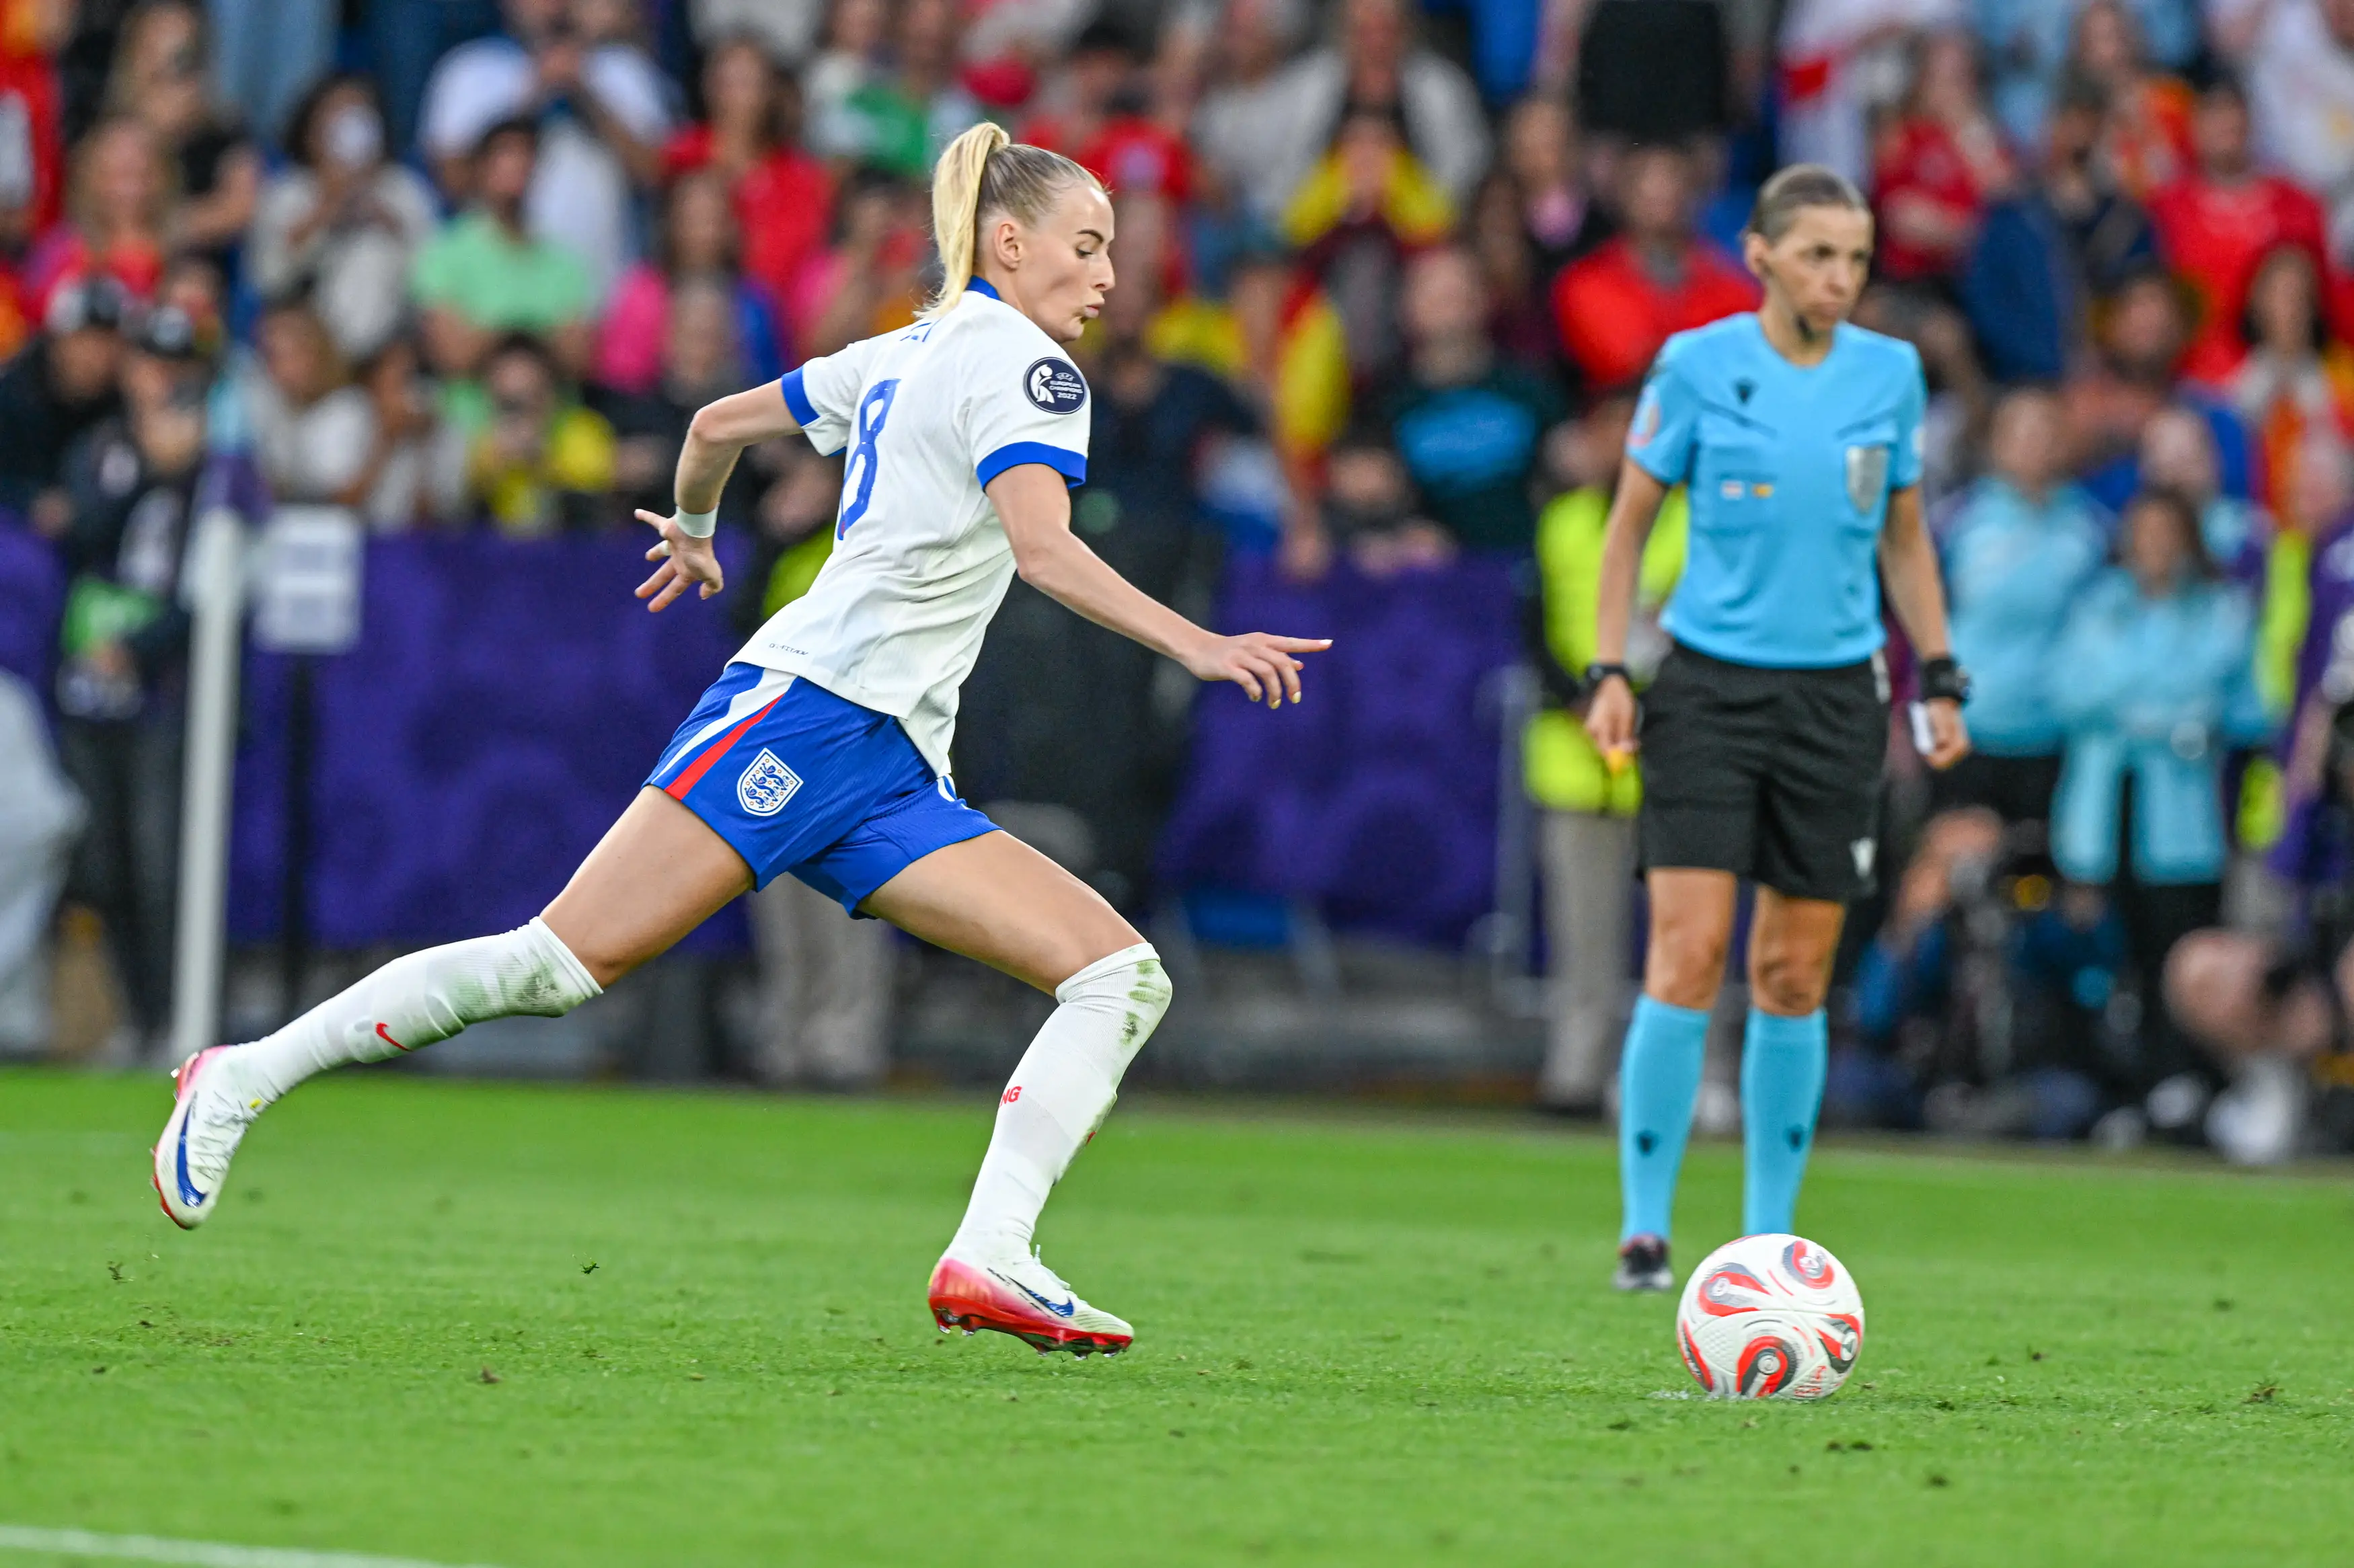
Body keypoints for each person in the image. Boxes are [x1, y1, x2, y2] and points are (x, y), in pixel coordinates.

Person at [152, 123, 1329, 1359]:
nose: (1107, 276)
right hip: (812, 715)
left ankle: (991, 1249)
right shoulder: (1035, 373)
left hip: (886, 764)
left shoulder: (898, 351)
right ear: (1006, 241)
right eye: (1086, 246)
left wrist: (698, 529)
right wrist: (1198, 643)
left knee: (1119, 974)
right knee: (553, 965)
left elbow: (716, 422)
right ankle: (241, 1075)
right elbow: (1042, 550)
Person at [1582, 165, 1971, 1292]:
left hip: (1836, 699)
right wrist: (1610, 669)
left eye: (1855, 258)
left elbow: (1904, 535)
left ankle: (1764, 1239)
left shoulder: (1890, 374)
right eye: (1817, 256)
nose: (1839, 279)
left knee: (1795, 972)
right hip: (1708, 689)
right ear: (1759, 256)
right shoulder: (1697, 366)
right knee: (1689, 951)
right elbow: (1627, 527)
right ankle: (1645, 1229)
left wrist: (1939, 674)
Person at [2046, 487, 2269, 1118]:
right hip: (2103, 808)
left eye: (2167, 535)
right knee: (2107, 952)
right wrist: (2164, 710)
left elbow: (2241, 706)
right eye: (2143, 536)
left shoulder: (2219, 610)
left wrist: (2133, 702)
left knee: (2175, 947)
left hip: (2180, 817)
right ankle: (2114, 1087)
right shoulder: (2099, 606)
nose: (2155, 549)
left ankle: (2181, 1084)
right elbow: (2068, 691)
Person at [1525, 391, 1687, 1113]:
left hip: (1673, 753)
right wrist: (1584, 697)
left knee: (1685, 936)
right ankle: (1576, 1074)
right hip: (1577, 757)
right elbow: (1532, 627)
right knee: (1582, 935)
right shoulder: (1561, 521)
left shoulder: (1695, 522)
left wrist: (1646, 704)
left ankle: (1684, 1082)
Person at [1936, 384, 2109, 826]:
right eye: (2021, 432)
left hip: (2054, 730)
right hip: (1968, 726)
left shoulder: (2093, 528)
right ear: (1996, 443)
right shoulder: (1956, 521)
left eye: (2047, 432)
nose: (2035, 445)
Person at [248, 75, 440, 363]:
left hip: (391, 350)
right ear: (312, 131)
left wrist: (388, 221)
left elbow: (434, 280)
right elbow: (267, 278)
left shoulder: (404, 189)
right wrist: (324, 212)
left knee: (374, 252)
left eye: (361, 113)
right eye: (337, 114)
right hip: (310, 351)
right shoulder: (288, 192)